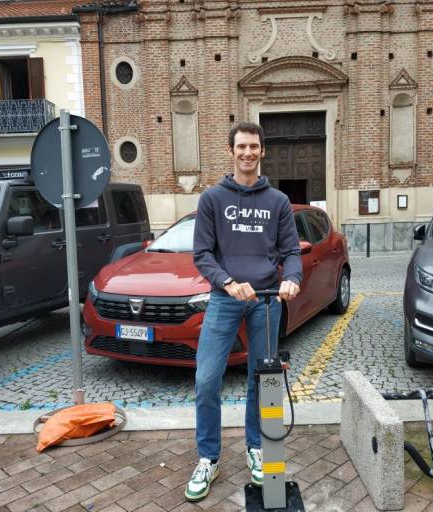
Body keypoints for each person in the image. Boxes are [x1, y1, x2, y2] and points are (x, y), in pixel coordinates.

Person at [185, 122, 302, 502]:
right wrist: (227, 282)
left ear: (262, 151)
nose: (248, 153)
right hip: (224, 299)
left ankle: (257, 447)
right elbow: (202, 254)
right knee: (206, 379)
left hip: (267, 301)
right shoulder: (212, 199)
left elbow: (291, 252)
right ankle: (208, 457)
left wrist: (293, 279)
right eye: (241, 147)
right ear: (230, 150)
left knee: (262, 379)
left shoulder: (279, 202)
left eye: (254, 146)